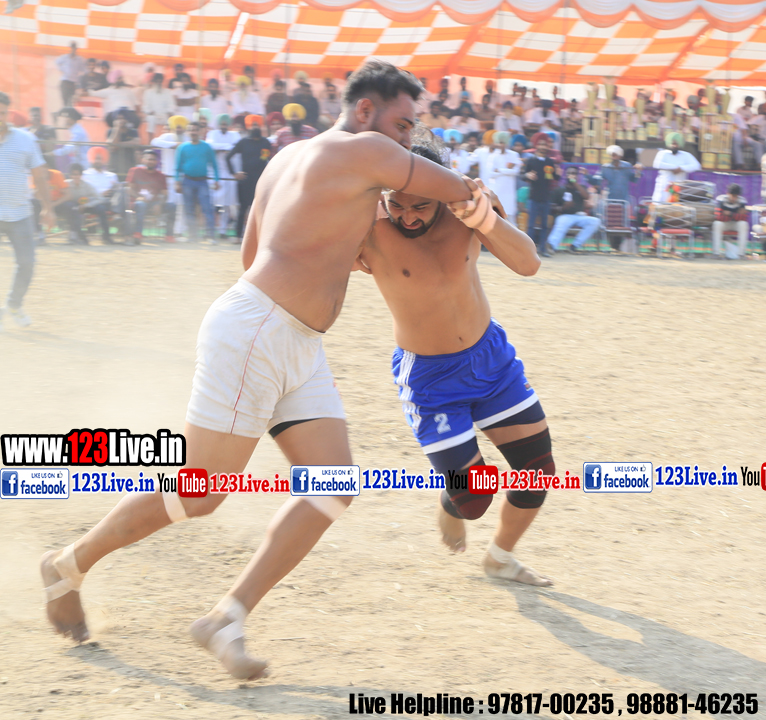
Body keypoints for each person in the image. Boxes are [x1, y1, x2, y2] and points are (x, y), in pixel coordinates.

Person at [38, 60, 488, 682]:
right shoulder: (368, 150)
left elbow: (252, 254)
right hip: (261, 331)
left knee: (331, 486)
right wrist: (478, 199)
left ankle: (227, 618)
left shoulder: (288, 159)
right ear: (365, 110)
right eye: (404, 124)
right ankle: (68, 565)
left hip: (289, 337)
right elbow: (455, 188)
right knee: (200, 493)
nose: (408, 139)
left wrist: (324, 258)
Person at [354, 142, 552, 584]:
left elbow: (529, 263)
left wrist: (482, 215)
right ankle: (452, 500)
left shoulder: (468, 208)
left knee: (538, 472)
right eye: (397, 205)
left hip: (491, 361)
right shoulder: (368, 225)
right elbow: (314, 261)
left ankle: (500, 558)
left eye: (420, 206)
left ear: (441, 192)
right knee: (474, 498)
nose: (407, 217)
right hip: (431, 379)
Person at [0, 93, 54, 328]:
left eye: (2, 112)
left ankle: (14, 304)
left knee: (27, 263)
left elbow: (39, 176)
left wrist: (48, 208)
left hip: (20, 213)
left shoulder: (25, 139)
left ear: (9, 114)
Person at [226, 115, 272, 239]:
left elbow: (266, 159)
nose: (255, 127)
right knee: (243, 209)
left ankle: (260, 238)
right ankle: (238, 236)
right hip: (245, 180)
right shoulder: (243, 142)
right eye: (253, 125)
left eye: (257, 125)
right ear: (249, 127)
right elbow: (228, 157)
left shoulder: (265, 142)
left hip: (260, 181)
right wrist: (234, 173)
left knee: (260, 209)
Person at [174, 122, 220, 242]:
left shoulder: (206, 147)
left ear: (200, 132)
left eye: (195, 130)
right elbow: (178, 167)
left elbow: (214, 165)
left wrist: (216, 180)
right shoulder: (182, 147)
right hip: (187, 181)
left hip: (202, 182)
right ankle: (192, 236)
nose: (193, 132)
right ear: (187, 132)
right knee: (189, 209)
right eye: (191, 130)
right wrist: (177, 182)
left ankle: (210, 236)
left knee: (207, 208)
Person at [545, 166, 601, 254]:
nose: (571, 175)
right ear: (565, 175)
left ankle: (574, 246)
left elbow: (586, 196)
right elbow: (552, 207)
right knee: (562, 223)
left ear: (577, 176)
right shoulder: (560, 190)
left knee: (595, 221)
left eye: (574, 173)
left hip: (580, 216)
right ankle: (551, 245)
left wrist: (575, 183)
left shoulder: (581, 187)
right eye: (569, 173)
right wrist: (563, 207)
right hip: (565, 215)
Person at [126, 149, 176, 244]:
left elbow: (165, 194)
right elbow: (129, 189)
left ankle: (169, 235)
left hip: (155, 203)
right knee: (140, 204)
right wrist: (138, 197)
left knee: (172, 206)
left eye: (153, 159)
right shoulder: (135, 171)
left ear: (156, 161)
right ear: (143, 160)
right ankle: (138, 233)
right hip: (138, 202)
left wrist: (160, 203)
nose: (150, 161)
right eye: (148, 159)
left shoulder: (161, 175)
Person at [522, 133, 560, 256]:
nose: (543, 147)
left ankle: (543, 249)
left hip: (546, 197)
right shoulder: (531, 160)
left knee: (544, 225)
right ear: (536, 145)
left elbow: (555, 178)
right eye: (540, 144)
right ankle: (529, 250)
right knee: (531, 225)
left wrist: (558, 173)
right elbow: (523, 175)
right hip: (533, 197)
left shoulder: (550, 161)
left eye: (545, 144)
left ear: (548, 146)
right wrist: (527, 175)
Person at [207, 114, 242, 240]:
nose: (223, 126)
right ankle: (210, 231)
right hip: (214, 173)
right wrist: (226, 148)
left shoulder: (235, 134)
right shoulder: (212, 133)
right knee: (212, 203)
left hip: (230, 173)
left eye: (225, 124)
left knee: (228, 204)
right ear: (218, 124)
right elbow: (210, 145)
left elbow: (236, 146)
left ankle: (223, 231)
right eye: (222, 123)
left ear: (229, 125)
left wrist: (220, 148)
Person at [56, 163, 109, 245]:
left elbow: (100, 198)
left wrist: (87, 205)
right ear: (70, 175)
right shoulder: (65, 184)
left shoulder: (87, 185)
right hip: (72, 208)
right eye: (73, 174)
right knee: (71, 207)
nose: (76, 177)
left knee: (101, 209)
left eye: (78, 174)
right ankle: (77, 236)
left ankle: (106, 237)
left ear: (81, 175)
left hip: (86, 206)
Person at [476, 131, 521, 221]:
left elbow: (516, 171)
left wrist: (500, 170)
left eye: (503, 143)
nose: (502, 145)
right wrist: (508, 170)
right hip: (497, 190)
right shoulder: (492, 156)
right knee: (495, 216)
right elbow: (490, 173)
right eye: (500, 143)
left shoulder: (514, 155)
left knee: (510, 219)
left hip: (509, 192)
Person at [82, 147, 125, 241]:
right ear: (92, 159)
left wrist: (113, 189)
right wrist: (101, 194)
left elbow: (118, 191)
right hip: (94, 201)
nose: (98, 161)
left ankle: (118, 217)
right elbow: (84, 192)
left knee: (122, 187)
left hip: (110, 201)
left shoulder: (112, 175)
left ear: (104, 160)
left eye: (100, 159)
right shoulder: (85, 174)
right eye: (96, 158)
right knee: (101, 207)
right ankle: (107, 235)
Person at [651, 132, 701, 202]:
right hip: (663, 187)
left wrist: (681, 168)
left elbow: (697, 166)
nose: (674, 146)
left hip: (678, 190)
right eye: (672, 143)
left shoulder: (686, 155)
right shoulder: (662, 153)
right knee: (660, 205)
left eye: (676, 144)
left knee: (675, 207)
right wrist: (674, 167)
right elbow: (657, 164)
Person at [712, 183, 749, 259]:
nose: (734, 198)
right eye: (732, 195)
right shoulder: (721, 200)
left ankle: (741, 254)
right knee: (717, 224)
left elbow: (744, 218)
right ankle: (716, 253)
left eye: (736, 196)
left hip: (735, 224)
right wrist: (736, 215)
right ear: (728, 193)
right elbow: (718, 217)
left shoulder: (742, 201)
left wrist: (730, 214)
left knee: (743, 224)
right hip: (725, 224)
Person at [141, 73, 176, 141]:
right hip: (153, 115)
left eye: (160, 81)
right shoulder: (148, 92)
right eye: (157, 81)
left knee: (169, 120)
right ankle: (150, 141)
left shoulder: (168, 92)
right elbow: (145, 106)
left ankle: (167, 141)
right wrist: (149, 111)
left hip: (164, 115)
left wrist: (169, 112)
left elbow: (172, 105)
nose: (158, 83)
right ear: (154, 82)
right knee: (151, 119)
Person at [106, 114, 140, 178]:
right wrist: (117, 128)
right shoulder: (110, 131)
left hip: (129, 165)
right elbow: (112, 147)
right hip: (114, 166)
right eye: (118, 119)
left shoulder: (133, 131)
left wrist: (118, 144)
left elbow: (136, 143)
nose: (120, 121)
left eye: (122, 118)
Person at [56, 43, 87, 109]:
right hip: (65, 81)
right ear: (70, 48)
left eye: (74, 48)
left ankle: (69, 113)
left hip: (73, 83)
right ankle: (65, 112)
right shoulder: (65, 57)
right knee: (65, 101)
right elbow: (57, 62)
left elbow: (83, 69)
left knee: (71, 102)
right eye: (72, 48)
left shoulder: (79, 59)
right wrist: (62, 69)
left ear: (76, 49)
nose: (73, 50)